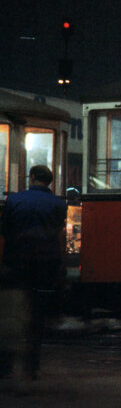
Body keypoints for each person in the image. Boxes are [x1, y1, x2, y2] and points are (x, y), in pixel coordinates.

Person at [1, 165, 67, 385]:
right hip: (46, 266)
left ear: (31, 178)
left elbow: (6, 231)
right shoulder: (59, 204)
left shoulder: (13, 201)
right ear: (49, 182)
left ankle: (6, 366)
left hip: (17, 264)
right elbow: (58, 233)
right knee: (37, 316)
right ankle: (32, 366)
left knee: (11, 314)